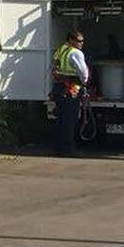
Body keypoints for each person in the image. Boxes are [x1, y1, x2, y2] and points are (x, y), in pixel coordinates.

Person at [51, 29, 89, 157]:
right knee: (69, 120)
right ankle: (68, 149)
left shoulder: (61, 50)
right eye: (79, 41)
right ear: (71, 40)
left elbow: (55, 68)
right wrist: (84, 83)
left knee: (61, 120)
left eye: (82, 41)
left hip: (59, 88)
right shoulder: (75, 53)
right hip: (71, 89)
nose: (82, 43)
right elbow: (83, 73)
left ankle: (59, 148)